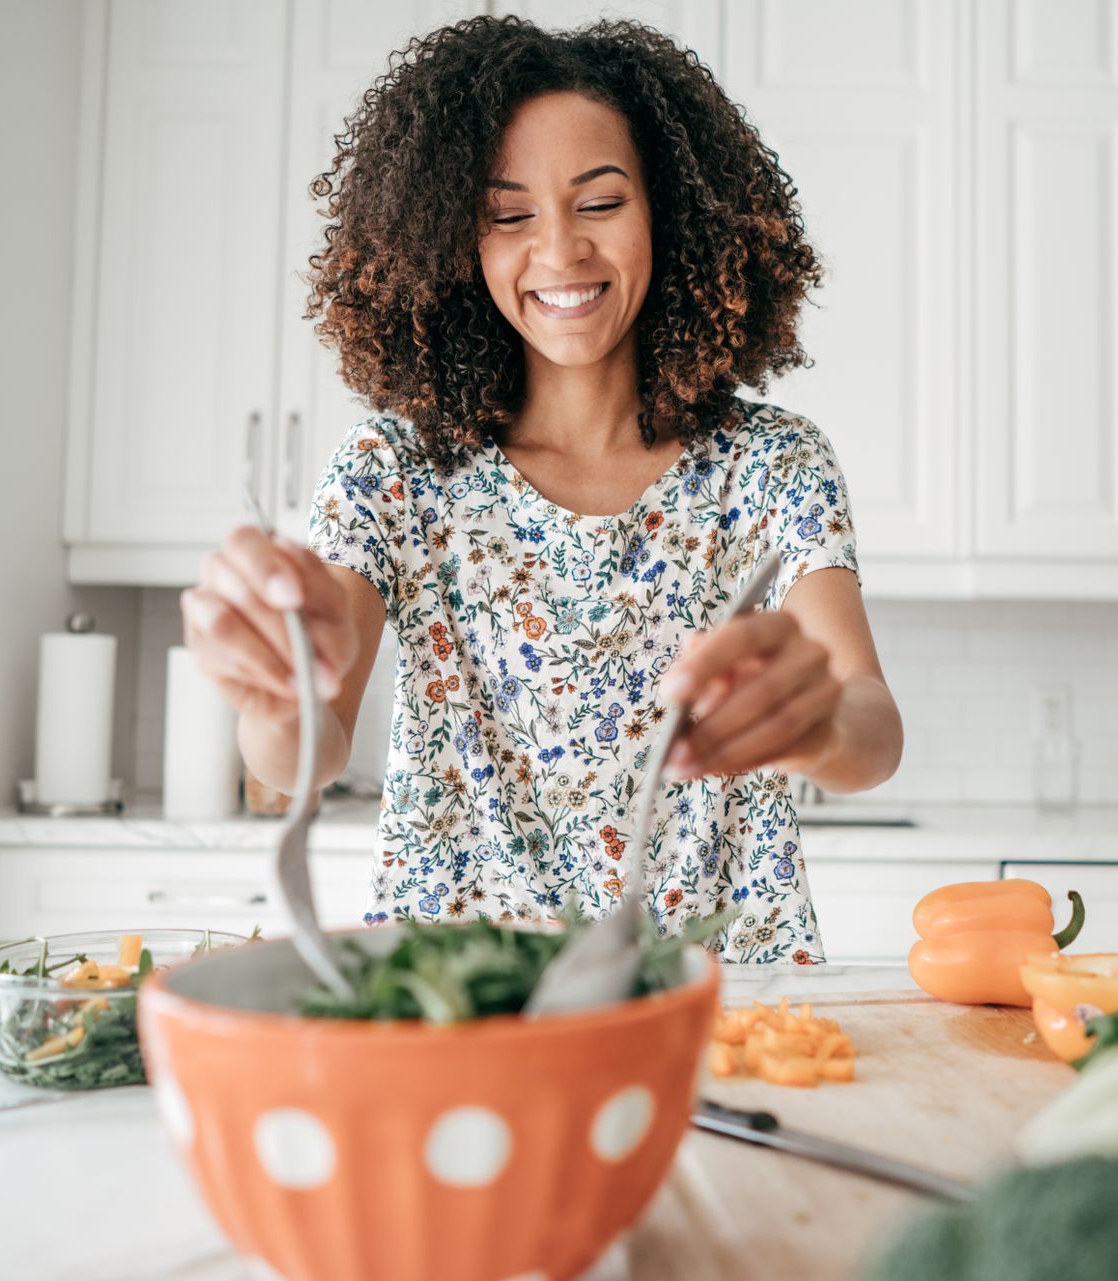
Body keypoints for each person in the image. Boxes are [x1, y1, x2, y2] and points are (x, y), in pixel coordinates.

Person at [181, 17, 903, 963]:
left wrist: (813, 725)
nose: (559, 253)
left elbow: (872, 729)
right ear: (451, 244)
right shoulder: (396, 471)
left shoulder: (768, 463)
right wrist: (278, 695)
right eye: (509, 216)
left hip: (724, 1007)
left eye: (599, 203)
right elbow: (297, 760)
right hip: (467, 1006)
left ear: (669, 213)